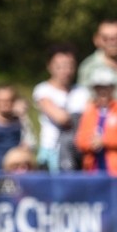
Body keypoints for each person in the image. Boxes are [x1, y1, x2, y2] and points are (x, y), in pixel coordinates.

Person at [32, 44, 91, 172]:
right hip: (51, 150)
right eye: (60, 66)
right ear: (50, 66)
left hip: (76, 151)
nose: (66, 71)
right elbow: (61, 118)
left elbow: (91, 118)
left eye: (70, 66)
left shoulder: (82, 92)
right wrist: (77, 117)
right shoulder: (43, 90)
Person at [75, 68, 117, 174]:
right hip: (93, 168)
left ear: (113, 89)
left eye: (106, 87)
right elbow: (80, 140)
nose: (103, 91)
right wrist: (92, 143)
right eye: (99, 88)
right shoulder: (89, 110)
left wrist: (104, 141)